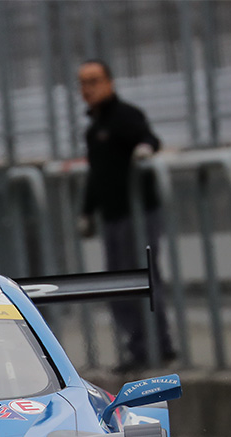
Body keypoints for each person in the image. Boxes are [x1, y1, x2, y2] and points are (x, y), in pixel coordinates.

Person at [77, 59, 175, 371]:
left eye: (94, 80)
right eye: (84, 82)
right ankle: (140, 347)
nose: (88, 88)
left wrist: (144, 148)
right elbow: (97, 175)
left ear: (110, 82)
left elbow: (149, 138)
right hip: (113, 216)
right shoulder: (94, 129)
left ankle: (156, 346)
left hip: (138, 213)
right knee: (120, 285)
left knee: (141, 280)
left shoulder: (124, 116)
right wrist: (87, 211)